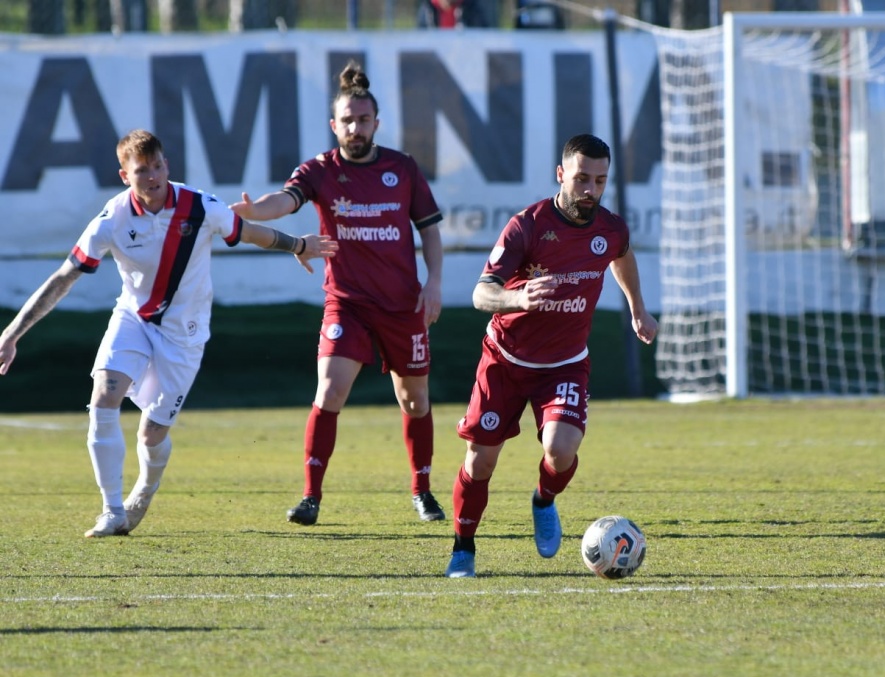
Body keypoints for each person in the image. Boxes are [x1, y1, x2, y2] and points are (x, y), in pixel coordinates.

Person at [0, 129, 337, 538]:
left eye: (158, 166)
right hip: (134, 319)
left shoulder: (198, 206)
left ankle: (144, 491)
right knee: (104, 397)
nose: (153, 176)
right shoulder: (112, 220)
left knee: (151, 432)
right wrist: (12, 334)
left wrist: (297, 244)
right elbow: (63, 278)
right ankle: (111, 511)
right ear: (126, 176)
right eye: (142, 170)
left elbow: (247, 232)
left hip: (185, 333)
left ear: (167, 166)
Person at [230, 61, 446, 526]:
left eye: (363, 120)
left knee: (415, 401)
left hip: (401, 304)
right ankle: (311, 497)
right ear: (335, 125)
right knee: (329, 389)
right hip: (346, 302)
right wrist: (256, 212)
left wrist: (434, 283)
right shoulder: (321, 171)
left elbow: (428, 230)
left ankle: (423, 490)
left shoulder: (402, 169)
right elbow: (285, 200)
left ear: (376, 123)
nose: (355, 127)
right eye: (347, 120)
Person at [444, 133, 658, 578]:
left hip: (564, 363)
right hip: (505, 359)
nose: (590, 190)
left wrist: (638, 307)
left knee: (561, 449)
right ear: (561, 174)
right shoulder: (527, 225)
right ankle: (463, 548)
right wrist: (517, 301)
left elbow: (621, 255)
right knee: (481, 461)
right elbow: (482, 293)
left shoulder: (611, 227)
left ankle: (544, 500)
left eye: (600, 181)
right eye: (581, 178)